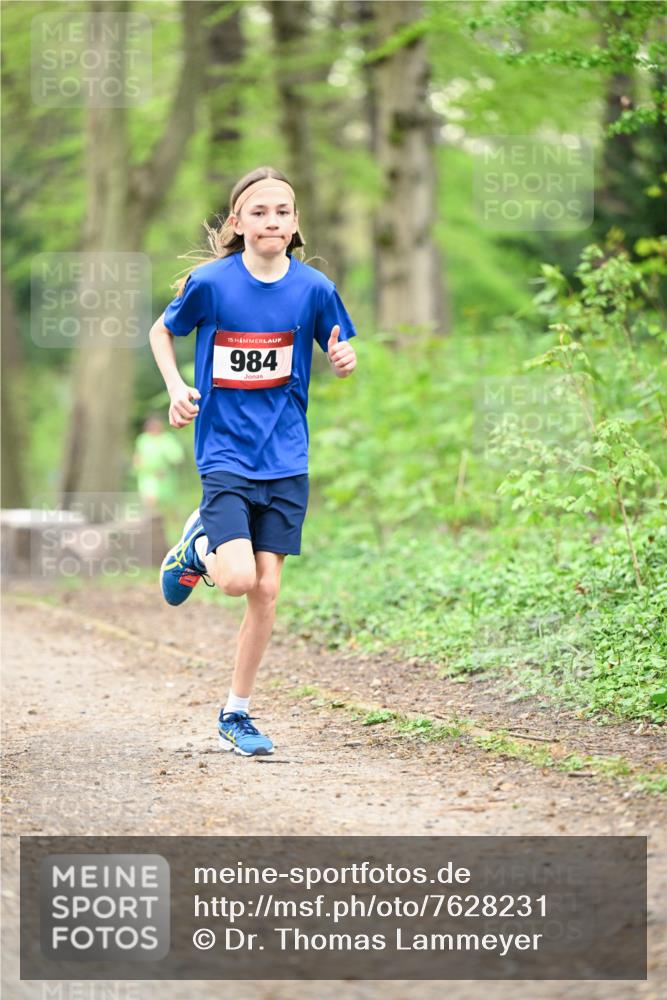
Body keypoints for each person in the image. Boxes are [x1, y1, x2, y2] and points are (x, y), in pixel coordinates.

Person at [148, 166, 357, 757]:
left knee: (267, 591)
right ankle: (199, 548)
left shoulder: (314, 288)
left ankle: (235, 713)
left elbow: (339, 344)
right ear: (238, 223)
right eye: (260, 212)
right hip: (225, 452)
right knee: (238, 580)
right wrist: (176, 387)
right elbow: (161, 332)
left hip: (287, 457)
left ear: (295, 223)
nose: (272, 221)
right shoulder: (212, 284)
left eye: (282, 212)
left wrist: (343, 358)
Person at [133, 414, 184, 512]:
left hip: (164, 478)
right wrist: (138, 465)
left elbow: (177, 458)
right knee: (150, 502)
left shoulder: (167, 439)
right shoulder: (143, 439)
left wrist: (168, 465)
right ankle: (151, 518)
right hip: (147, 477)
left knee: (167, 506)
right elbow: (138, 456)